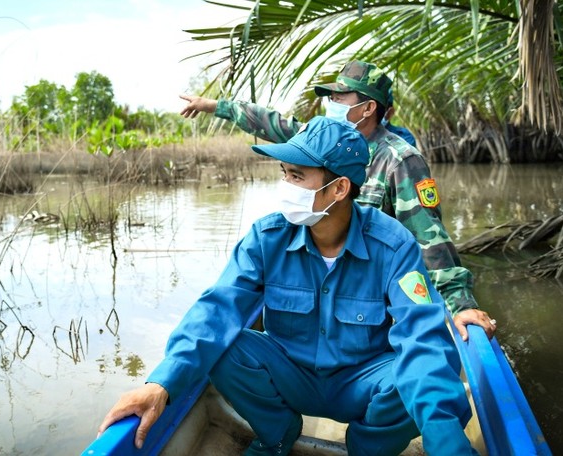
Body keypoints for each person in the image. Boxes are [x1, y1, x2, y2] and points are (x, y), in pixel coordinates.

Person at [97, 117, 476, 455]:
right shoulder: (267, 237)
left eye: (297, 176)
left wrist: (446, 440)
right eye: (284, 173)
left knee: (415, 371)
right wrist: (160, 383)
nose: (285, 185)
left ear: (340, 188)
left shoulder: (393, 245)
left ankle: (368, 449)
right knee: (226, 345)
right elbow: (217, 309)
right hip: (290, 375)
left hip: (360, 383)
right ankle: (277, 436)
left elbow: (421, 338)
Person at [179, 60, 496, 342]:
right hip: (319, 289)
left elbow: (429, 238)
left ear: (368, 108)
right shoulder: (319, 143)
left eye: (339, 97)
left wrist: (461, 305)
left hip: (371, 298)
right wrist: (212, 105)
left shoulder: (399, 160)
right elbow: (269, 121)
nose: (330, 102)